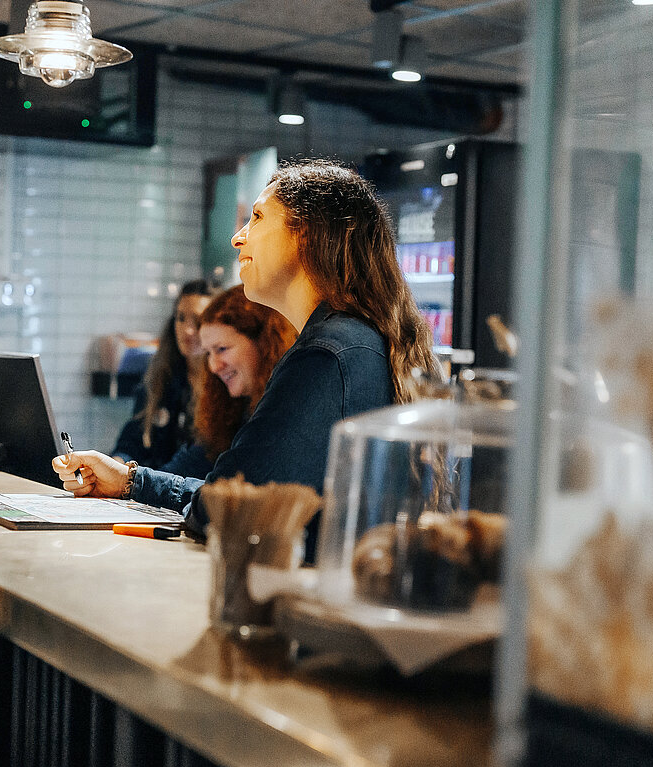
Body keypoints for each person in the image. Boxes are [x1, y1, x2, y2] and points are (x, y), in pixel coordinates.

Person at [55, 159, 441, 559]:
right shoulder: (353, 340)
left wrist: (151, 487)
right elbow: (236, 492)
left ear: (305, 235)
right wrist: (131, 482)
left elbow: (227, 507)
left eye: (257, 218)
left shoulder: (325, 355)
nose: (239, 238)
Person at [129, 284, 296, 504]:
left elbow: (227, 496)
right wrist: (127, 479)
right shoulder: (231, 405)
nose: (214, 366)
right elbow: (196, 459)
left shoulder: (283, 405)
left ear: (264, 344)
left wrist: (132, 482)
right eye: (209, 352)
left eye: (222, 349)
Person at [112, 279, 218, 469]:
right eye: (181, 318)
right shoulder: (160, 377)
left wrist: (138, 482)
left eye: (199, 320)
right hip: (150, 491)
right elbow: (132, 441)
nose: (187, 330)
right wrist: (114, 465)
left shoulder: (226, 385)